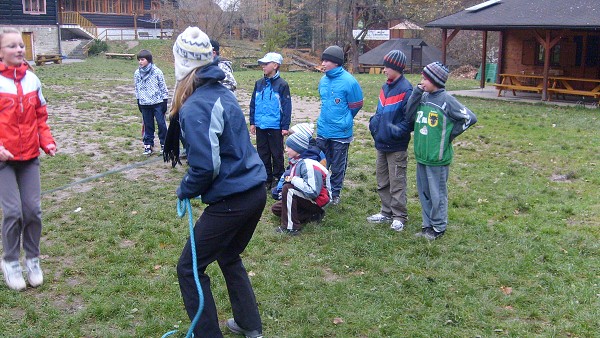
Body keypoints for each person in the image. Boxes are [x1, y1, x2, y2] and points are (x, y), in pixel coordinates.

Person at [164, 27, 266, 338]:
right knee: (228, 254)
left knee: (189, 268)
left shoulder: (196, 105)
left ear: (182, 64)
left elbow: (206, 166)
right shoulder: (222, 91)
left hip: (233, 200)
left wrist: (185, 188)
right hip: (254, 192)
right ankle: (250, 325)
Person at [391, 62, 477, 240]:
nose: (421, 81)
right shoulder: (423, 97)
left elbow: (470, 118)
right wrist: (416, 92)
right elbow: (409, 115)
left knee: (437, 194)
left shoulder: (446, 100)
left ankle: (438, 227)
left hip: (437, 158)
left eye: (425, 78)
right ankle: (427, 225)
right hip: (422, 156)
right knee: (424, 193)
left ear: (435, 81)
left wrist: (448, 135)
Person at [0, 27, 57, 291]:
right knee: (13, 212)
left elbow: (40, 118)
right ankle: (10, 262)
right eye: (12, 46)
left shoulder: (33, 81)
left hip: (29, 157)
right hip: (4, 161)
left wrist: (47, 142)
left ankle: (32, 260)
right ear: (1, 52)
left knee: (32, 211)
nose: (19, 50)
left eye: (21, 45)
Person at [367, 50, 413, 232]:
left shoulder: (406, 89)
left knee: (397, 182)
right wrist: (374, 126)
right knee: (382, 181)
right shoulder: (385, 87)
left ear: (396, 67)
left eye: (387, 66)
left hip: (396, 146)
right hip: (381, 143)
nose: (384, 70)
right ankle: (386, 212)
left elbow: (409, 120)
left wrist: (395, 132)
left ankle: (399, 216)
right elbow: (379, 112)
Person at [316, 45, 363, 206]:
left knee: (338, 166)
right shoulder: (323, 80)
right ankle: (319, 191)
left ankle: (334, 194)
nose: (323, 63)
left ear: (336, 63)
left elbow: (356, 104)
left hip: (340, 133)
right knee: (320, 163)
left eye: (327, 60)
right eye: (323, 60)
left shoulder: (349, 82)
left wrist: (345, 120)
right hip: (323, 130)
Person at [271, 125, 331, 235]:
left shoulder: (308, 164)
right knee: (276, 209)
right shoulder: (297, 161)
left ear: (297, 149)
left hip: (318, 200)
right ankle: (312, 215)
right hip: (307, 198)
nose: (286, 149)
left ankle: (291, 227)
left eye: (289, 147)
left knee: (288, 189)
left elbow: (313, 191)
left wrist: (293, 180)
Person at [249, 52, 292, 189]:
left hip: (275, 126)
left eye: (266, 64)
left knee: (277, 153)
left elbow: (286, 107)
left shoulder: (282, 85)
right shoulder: (259, 84)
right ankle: (265, 177)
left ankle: (277, 177)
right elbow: (253, 103)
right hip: (261, 125)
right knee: (263, 152)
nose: (263, 66)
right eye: (262, 64)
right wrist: (252, 122)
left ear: (275, 65)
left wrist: (285, 126)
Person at [134, 49, 169, 155]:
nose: (140, 62)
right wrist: (139, 100)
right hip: (144, 104)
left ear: (148, 60)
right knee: (148, 126)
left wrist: (164, 101)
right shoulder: (137, 73)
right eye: (139, 60)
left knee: (161, 124)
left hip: (157, 102)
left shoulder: (157, 71)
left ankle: (165, 145)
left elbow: (163, 86)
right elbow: (137, 88)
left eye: (142, 59)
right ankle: (148, 145)